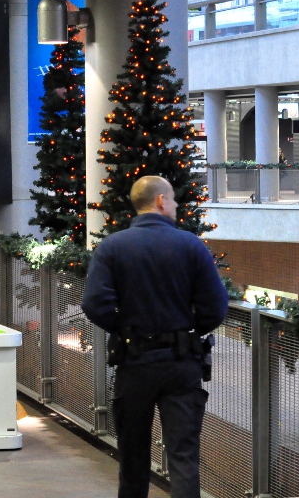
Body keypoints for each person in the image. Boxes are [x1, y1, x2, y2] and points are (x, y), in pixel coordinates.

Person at [81, 176, 229, 498]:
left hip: (134, 365)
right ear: (161, 201)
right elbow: (217, 306)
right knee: (183, 457)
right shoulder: (191, 245)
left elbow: (94, 303)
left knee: (133, 458)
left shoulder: (112, 246)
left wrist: (124, 330)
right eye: (173, 199)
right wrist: (189, 331)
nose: (176, 205)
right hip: (181, 365)